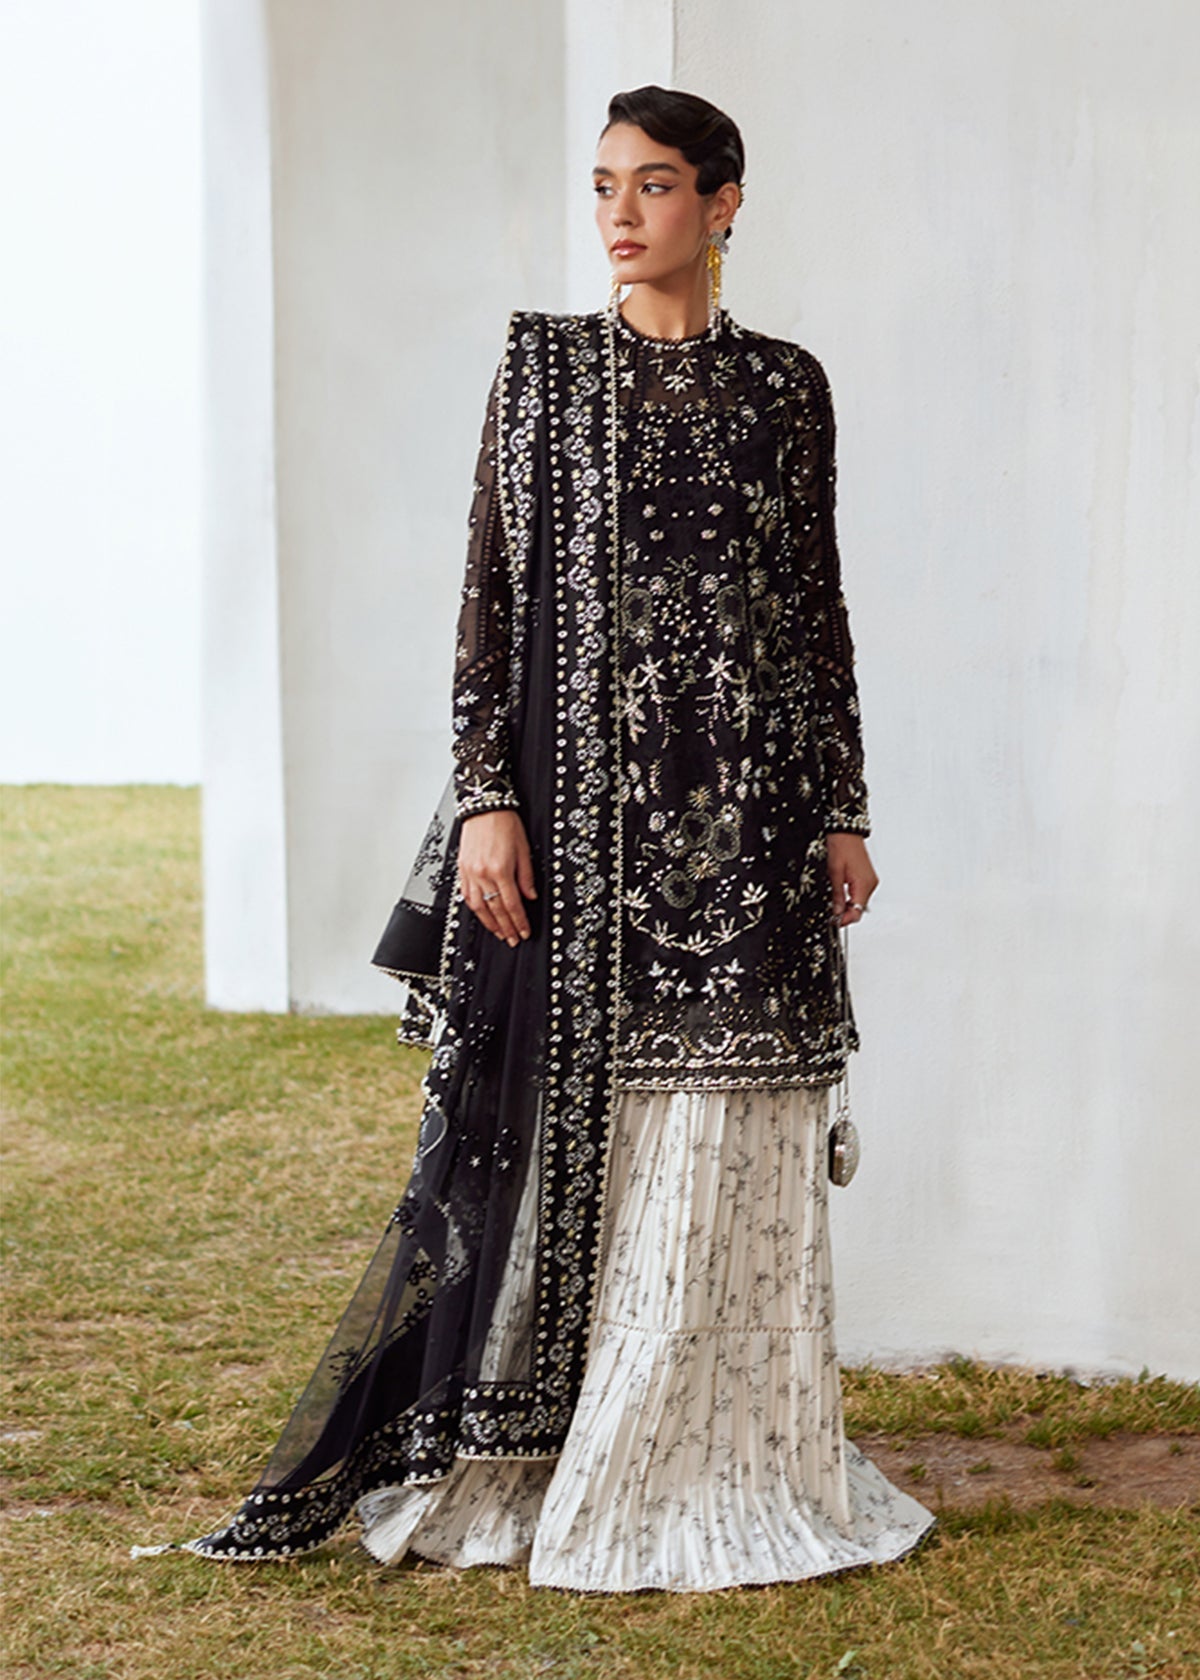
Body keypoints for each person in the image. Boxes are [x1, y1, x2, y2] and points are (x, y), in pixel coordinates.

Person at [134, 85, 935, 1591]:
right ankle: (559, 1445)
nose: (621, 213)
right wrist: (487, 798)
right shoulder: (545, 370)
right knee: (582, 1133)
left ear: (723, 203)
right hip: (575, 827)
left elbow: (811, 611)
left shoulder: (787, 388)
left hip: (749, 825)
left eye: (655, 185)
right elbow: (488, 598)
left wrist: (842, 806)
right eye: (604, 185)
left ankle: (713, 1446)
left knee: (727, 1129)